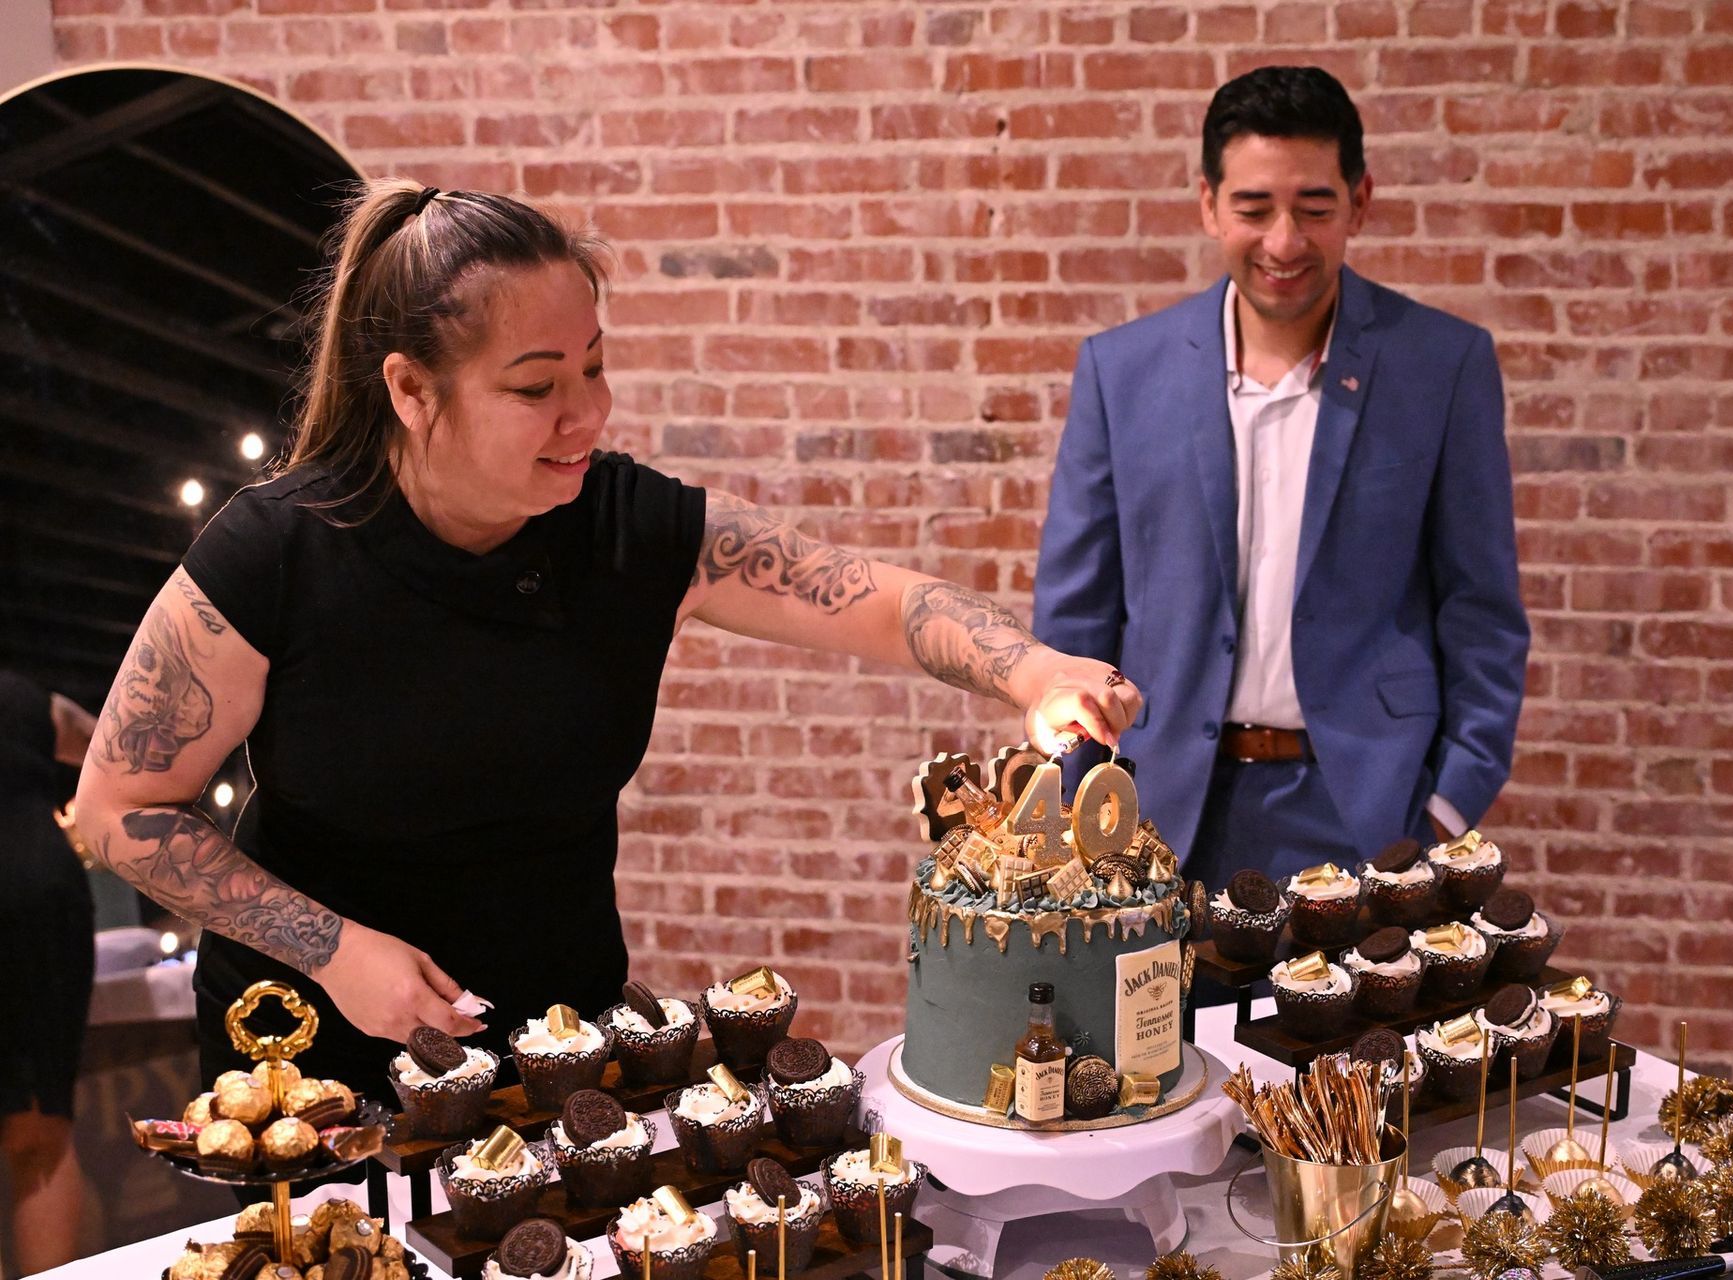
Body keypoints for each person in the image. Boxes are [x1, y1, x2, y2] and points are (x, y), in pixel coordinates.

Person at [72, 180, 1141, 1098]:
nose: (587, 413)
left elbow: (866, 596)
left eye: (594, 366)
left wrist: (1036, 671)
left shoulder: (624, 527)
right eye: (536, 387)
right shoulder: (276, 552)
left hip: (561, 1046)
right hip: (317, 1050)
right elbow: (118, 811)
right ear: (409, 389)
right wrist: (335, 949)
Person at [1032, 66, 1528, 889]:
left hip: (1372, 814)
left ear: (1360, 202)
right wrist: (1082, 799)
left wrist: (1446, 809)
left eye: (1315, 208)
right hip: (1159, 812)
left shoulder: (1441, 366)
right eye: (1255, 208)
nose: (1285, 242)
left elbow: (1482, 610)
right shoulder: (1123, 372)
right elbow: (1076, 616)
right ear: (1208, 204)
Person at [0, 670, 98, 1273]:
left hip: (33, 891)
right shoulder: (23, 697)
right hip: (33, 889)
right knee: (38, 1136)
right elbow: (111, 743)